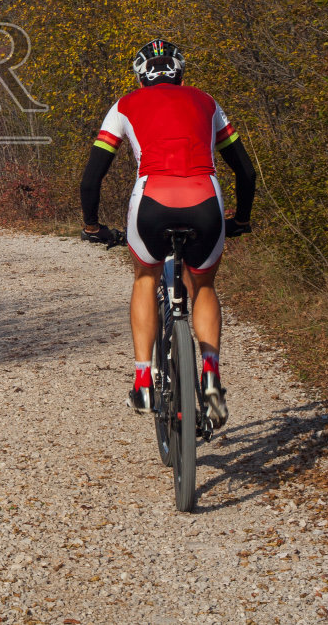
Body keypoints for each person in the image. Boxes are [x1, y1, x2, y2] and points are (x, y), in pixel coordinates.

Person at [78, 39, 256, 428]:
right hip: (205, 200)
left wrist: (92, 225)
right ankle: (210, 374)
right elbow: (245, 171)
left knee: (146, 276)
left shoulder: (124, 105)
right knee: (204, 287)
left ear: (141, 74)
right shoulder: (207, 102)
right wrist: (241, 218)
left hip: (152, 203)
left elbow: (92, 177)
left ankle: (143, 380)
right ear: (180, 71)